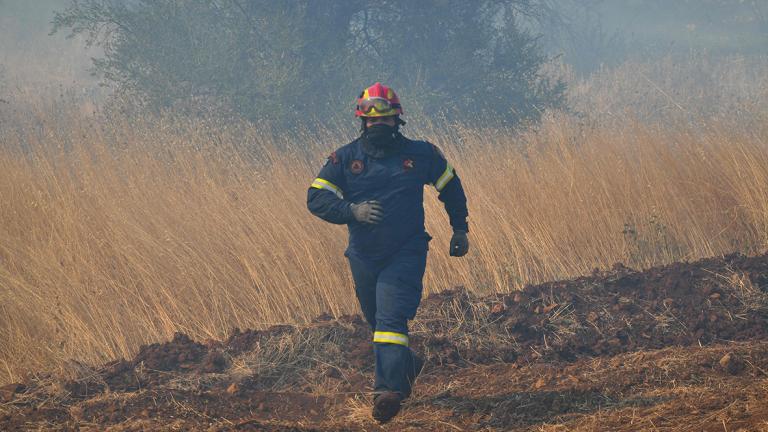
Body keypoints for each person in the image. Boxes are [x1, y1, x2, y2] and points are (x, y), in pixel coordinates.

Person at [306, 82, 469, 423]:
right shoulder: (345, 158)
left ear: (398, 121)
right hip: (363, 257)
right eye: (371, 120)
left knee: (390, 320)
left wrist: (460, 228)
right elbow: (316, 198)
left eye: (385, 120)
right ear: (362, 122)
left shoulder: (421, 155)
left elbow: (451, 186)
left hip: (406, 252)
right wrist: (352, 212)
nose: (378, 125)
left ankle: (386, 393)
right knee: (377, 322)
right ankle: (408, 367)